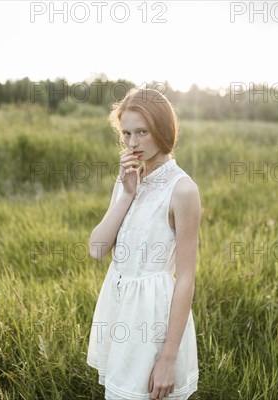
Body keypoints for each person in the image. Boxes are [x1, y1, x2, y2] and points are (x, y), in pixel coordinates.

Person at [87, 87, 201, 400]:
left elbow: (186, 278)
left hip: (155, 320)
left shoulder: (183, 190)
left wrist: (168, 358)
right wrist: (126, 193)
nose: (133, 143)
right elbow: (97, 250)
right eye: (126, 134)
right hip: (121, 311)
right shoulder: (127, 180)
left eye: (142, 132)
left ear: (163, 130)